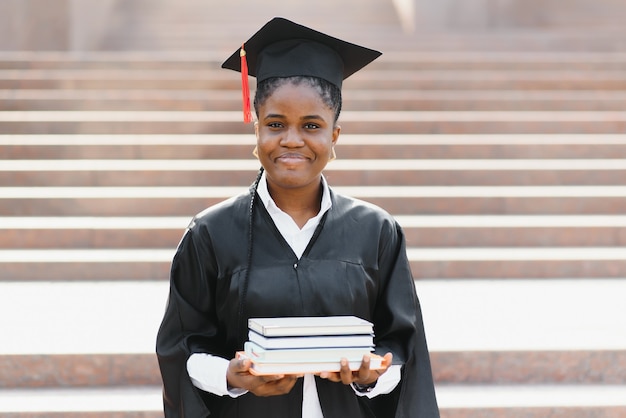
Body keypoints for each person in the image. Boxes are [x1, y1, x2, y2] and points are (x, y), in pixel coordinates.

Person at [156, 17, 440, 418]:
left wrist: (372, 373)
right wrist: (232, 376)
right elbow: (182, 347)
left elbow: (402, 348)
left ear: (334, 136)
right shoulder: (211, 234)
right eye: (276, 124)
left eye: (311, 125)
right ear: (256, 129)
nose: (292, 139)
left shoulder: (376, 231)